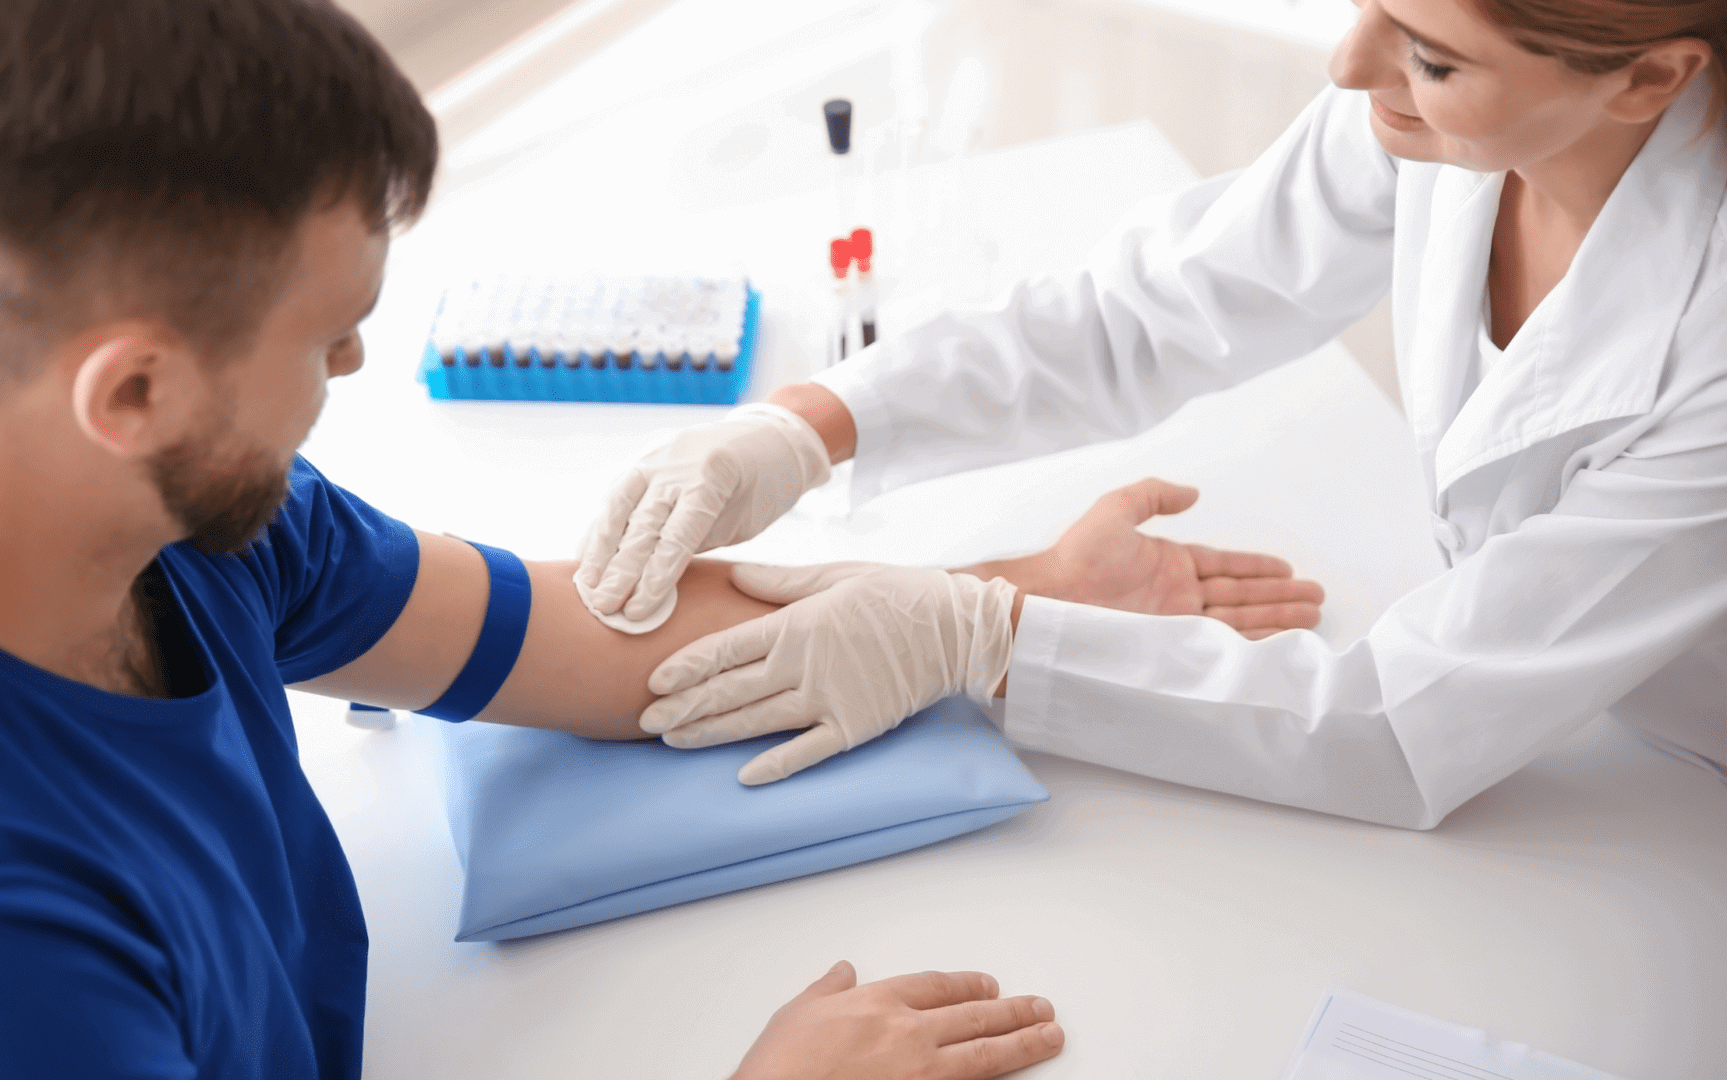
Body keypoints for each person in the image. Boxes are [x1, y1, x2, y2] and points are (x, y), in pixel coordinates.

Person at [0, 2, 1080, 1076]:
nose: (351, 366)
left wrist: (1010, 602)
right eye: (327, 337)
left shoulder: (152, 508)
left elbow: (572, 637)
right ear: (133, 393)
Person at [580, 0, 1727, 825]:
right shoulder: (1439, 107)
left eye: (1429, 56)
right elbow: (1146, 313)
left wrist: (982, 634)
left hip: (1683, 786)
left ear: (1647, 79)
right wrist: (812, 421)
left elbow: (1392, 727)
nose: (1348, 60)